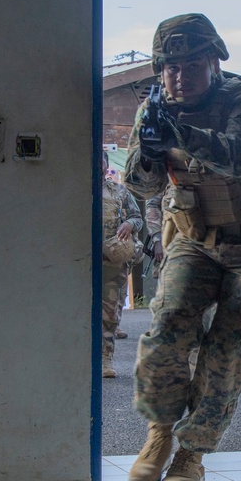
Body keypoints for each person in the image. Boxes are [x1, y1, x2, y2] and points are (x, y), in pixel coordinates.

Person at [124, 13, 241, 481]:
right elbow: (141, 185)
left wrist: (178, 134)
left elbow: (239, 157)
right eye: (169, 67)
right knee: (165, 330)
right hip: (194, 239)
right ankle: (160, 433)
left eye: (191, 64)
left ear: (215, 61)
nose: (179, 76)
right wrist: (149, 149)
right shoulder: (155, 111)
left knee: (227, 350)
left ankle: (192, 454)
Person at [102, 151, 143, 378]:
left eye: (102, 160)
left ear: (106, 165)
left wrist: (128, 223)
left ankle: (105, 358)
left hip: (112, 262)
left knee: (109, 313)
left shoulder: (119, 191)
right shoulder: (76, 190)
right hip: (82, 262)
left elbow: (138, 217)